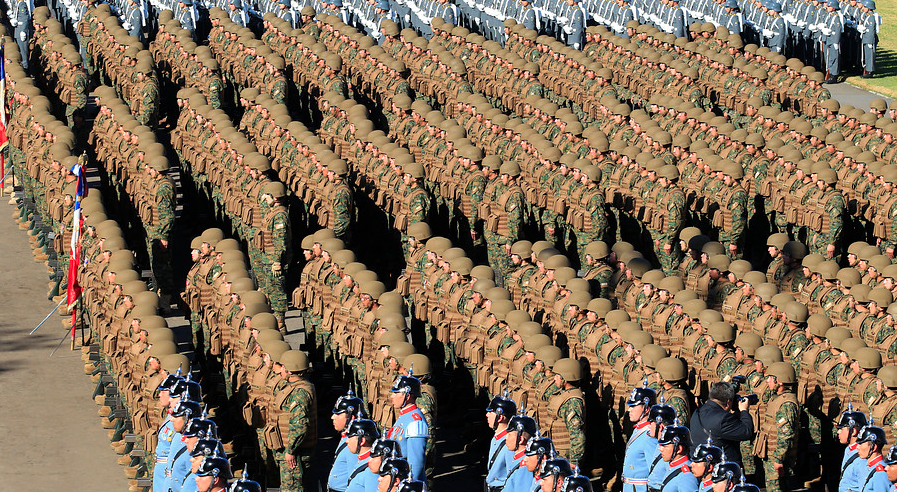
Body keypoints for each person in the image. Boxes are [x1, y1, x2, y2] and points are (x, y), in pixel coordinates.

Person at [689, 382, 754, 466]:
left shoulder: (698, 411)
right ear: (728, 402)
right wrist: (744, 411)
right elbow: (747, 431)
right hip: (721, 469)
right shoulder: (724, 419)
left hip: (699, 464)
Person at [387, 373, 428, 480]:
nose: (392, 396)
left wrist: (409, 485)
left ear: (407, 396)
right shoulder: (405, 415)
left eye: (396, 393)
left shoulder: (415, 422)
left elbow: (415, 464)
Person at [329, 389, 367, 492]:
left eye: (338, 414)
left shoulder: (355, 442)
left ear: (351, 418)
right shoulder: (346, 436)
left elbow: (354, 480)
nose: (333, 417)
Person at [623, 385, 658, 491]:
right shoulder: (637, 429)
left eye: (633, 406)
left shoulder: (649, 436)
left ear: (646, 409)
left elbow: (655, 471)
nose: (629, 410)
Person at [486, 395, 518, 492]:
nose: (487, 415)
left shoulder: (509, 444)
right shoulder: (497, 438)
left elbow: (512, 478)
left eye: (490, 412)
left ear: (500, 418)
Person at [654, 424, 699, 492]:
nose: (660, 449)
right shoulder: (672, 465)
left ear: (678, 449)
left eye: (665, 446)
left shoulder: (686, 476)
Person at [838, 405, 869, 492]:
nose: (838, 432)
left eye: (841, 429)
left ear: (853, 431)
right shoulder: (848, 449)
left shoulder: (862, 457)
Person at [345, 419, 381, 492]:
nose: (347, 441)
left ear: (362, 441)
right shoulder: (361, 460)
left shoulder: (371, 469)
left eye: (350, 437)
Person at [856, 425, 891, 492]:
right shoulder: (866, 466)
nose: (857, 447)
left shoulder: (880, 474)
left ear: (873, 447)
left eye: (861, 444)